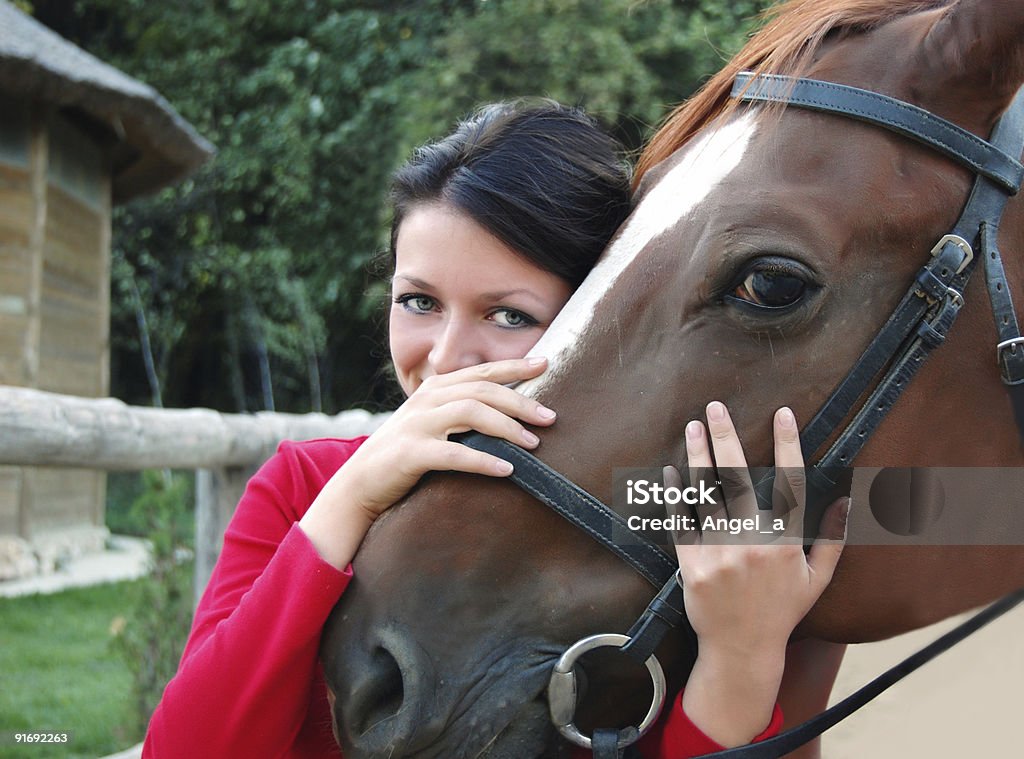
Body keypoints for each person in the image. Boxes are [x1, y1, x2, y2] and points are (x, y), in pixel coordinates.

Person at [143, 100, 846, 758]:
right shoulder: (306, 485)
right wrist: (350, 499)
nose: (446, 357)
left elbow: (927, 506)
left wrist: (742, 656)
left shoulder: (670, 511)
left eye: (508, 315)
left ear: (597, 323)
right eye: (418, 300)